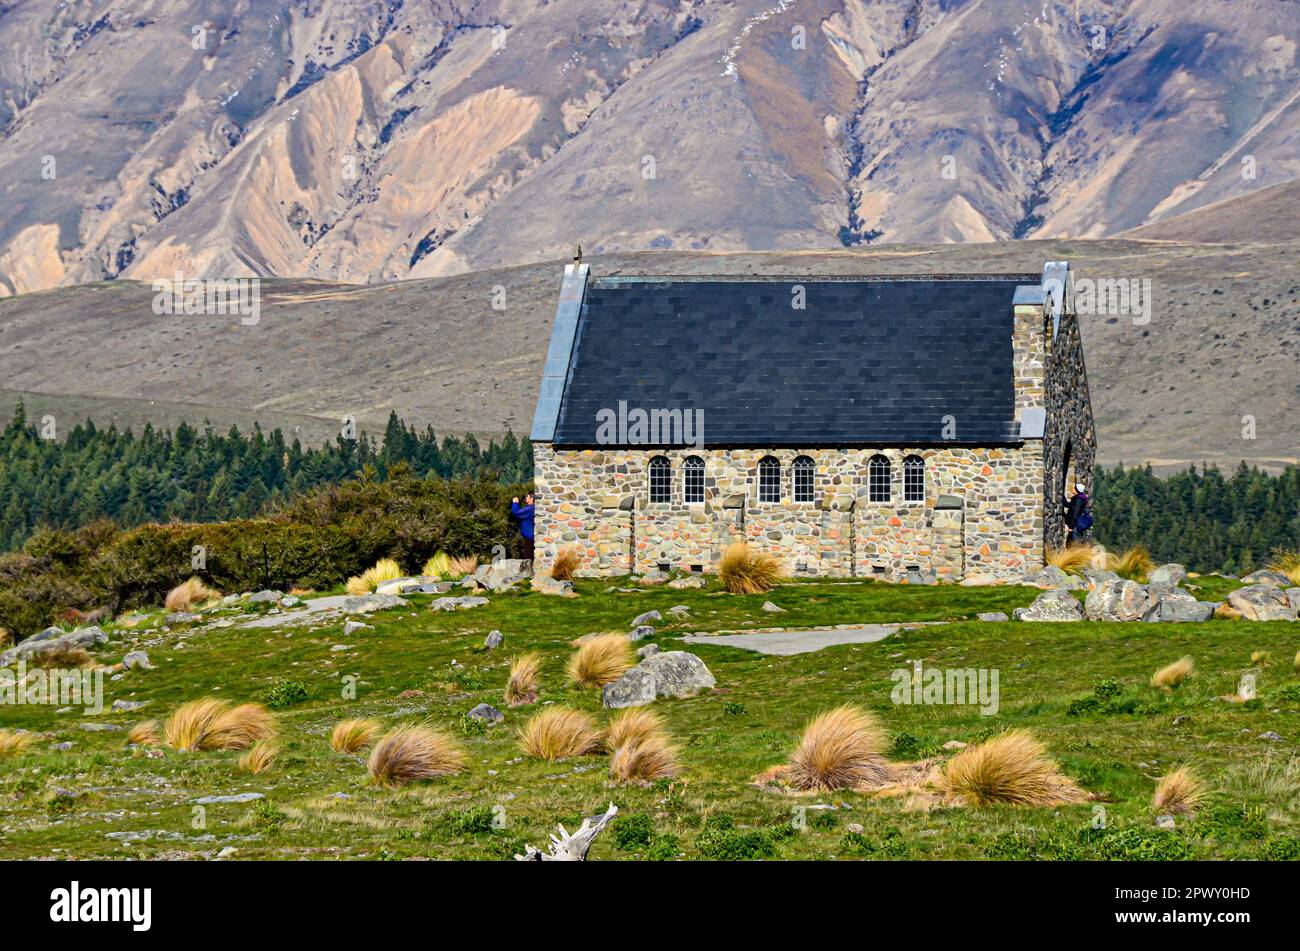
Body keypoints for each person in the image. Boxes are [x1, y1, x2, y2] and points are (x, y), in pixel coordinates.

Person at [511, 493, 535, 560]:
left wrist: (515, 503)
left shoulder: (530, 508)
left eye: (527, 496)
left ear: (532, 498)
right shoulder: (531, 508)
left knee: (528, 556)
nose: (526, 498)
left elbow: (517, 512)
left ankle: (528, 569)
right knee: (529, 554)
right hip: (530, 535)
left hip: (529, 536)